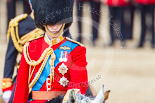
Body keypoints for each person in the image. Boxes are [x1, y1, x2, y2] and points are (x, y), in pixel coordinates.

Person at [13, 0, 88, 103]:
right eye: (50, 23)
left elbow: (78, 84)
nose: (55, 26)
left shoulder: (76, 50)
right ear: (43, 22)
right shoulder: (29, 47)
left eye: (59, 22)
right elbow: (21, 88)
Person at [2, 1, 72, 103]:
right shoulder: (19, 25)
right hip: (25, 77)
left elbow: (70, 51)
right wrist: (6, 88)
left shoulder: (58, 23)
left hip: (53, 76)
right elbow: (10, 58)